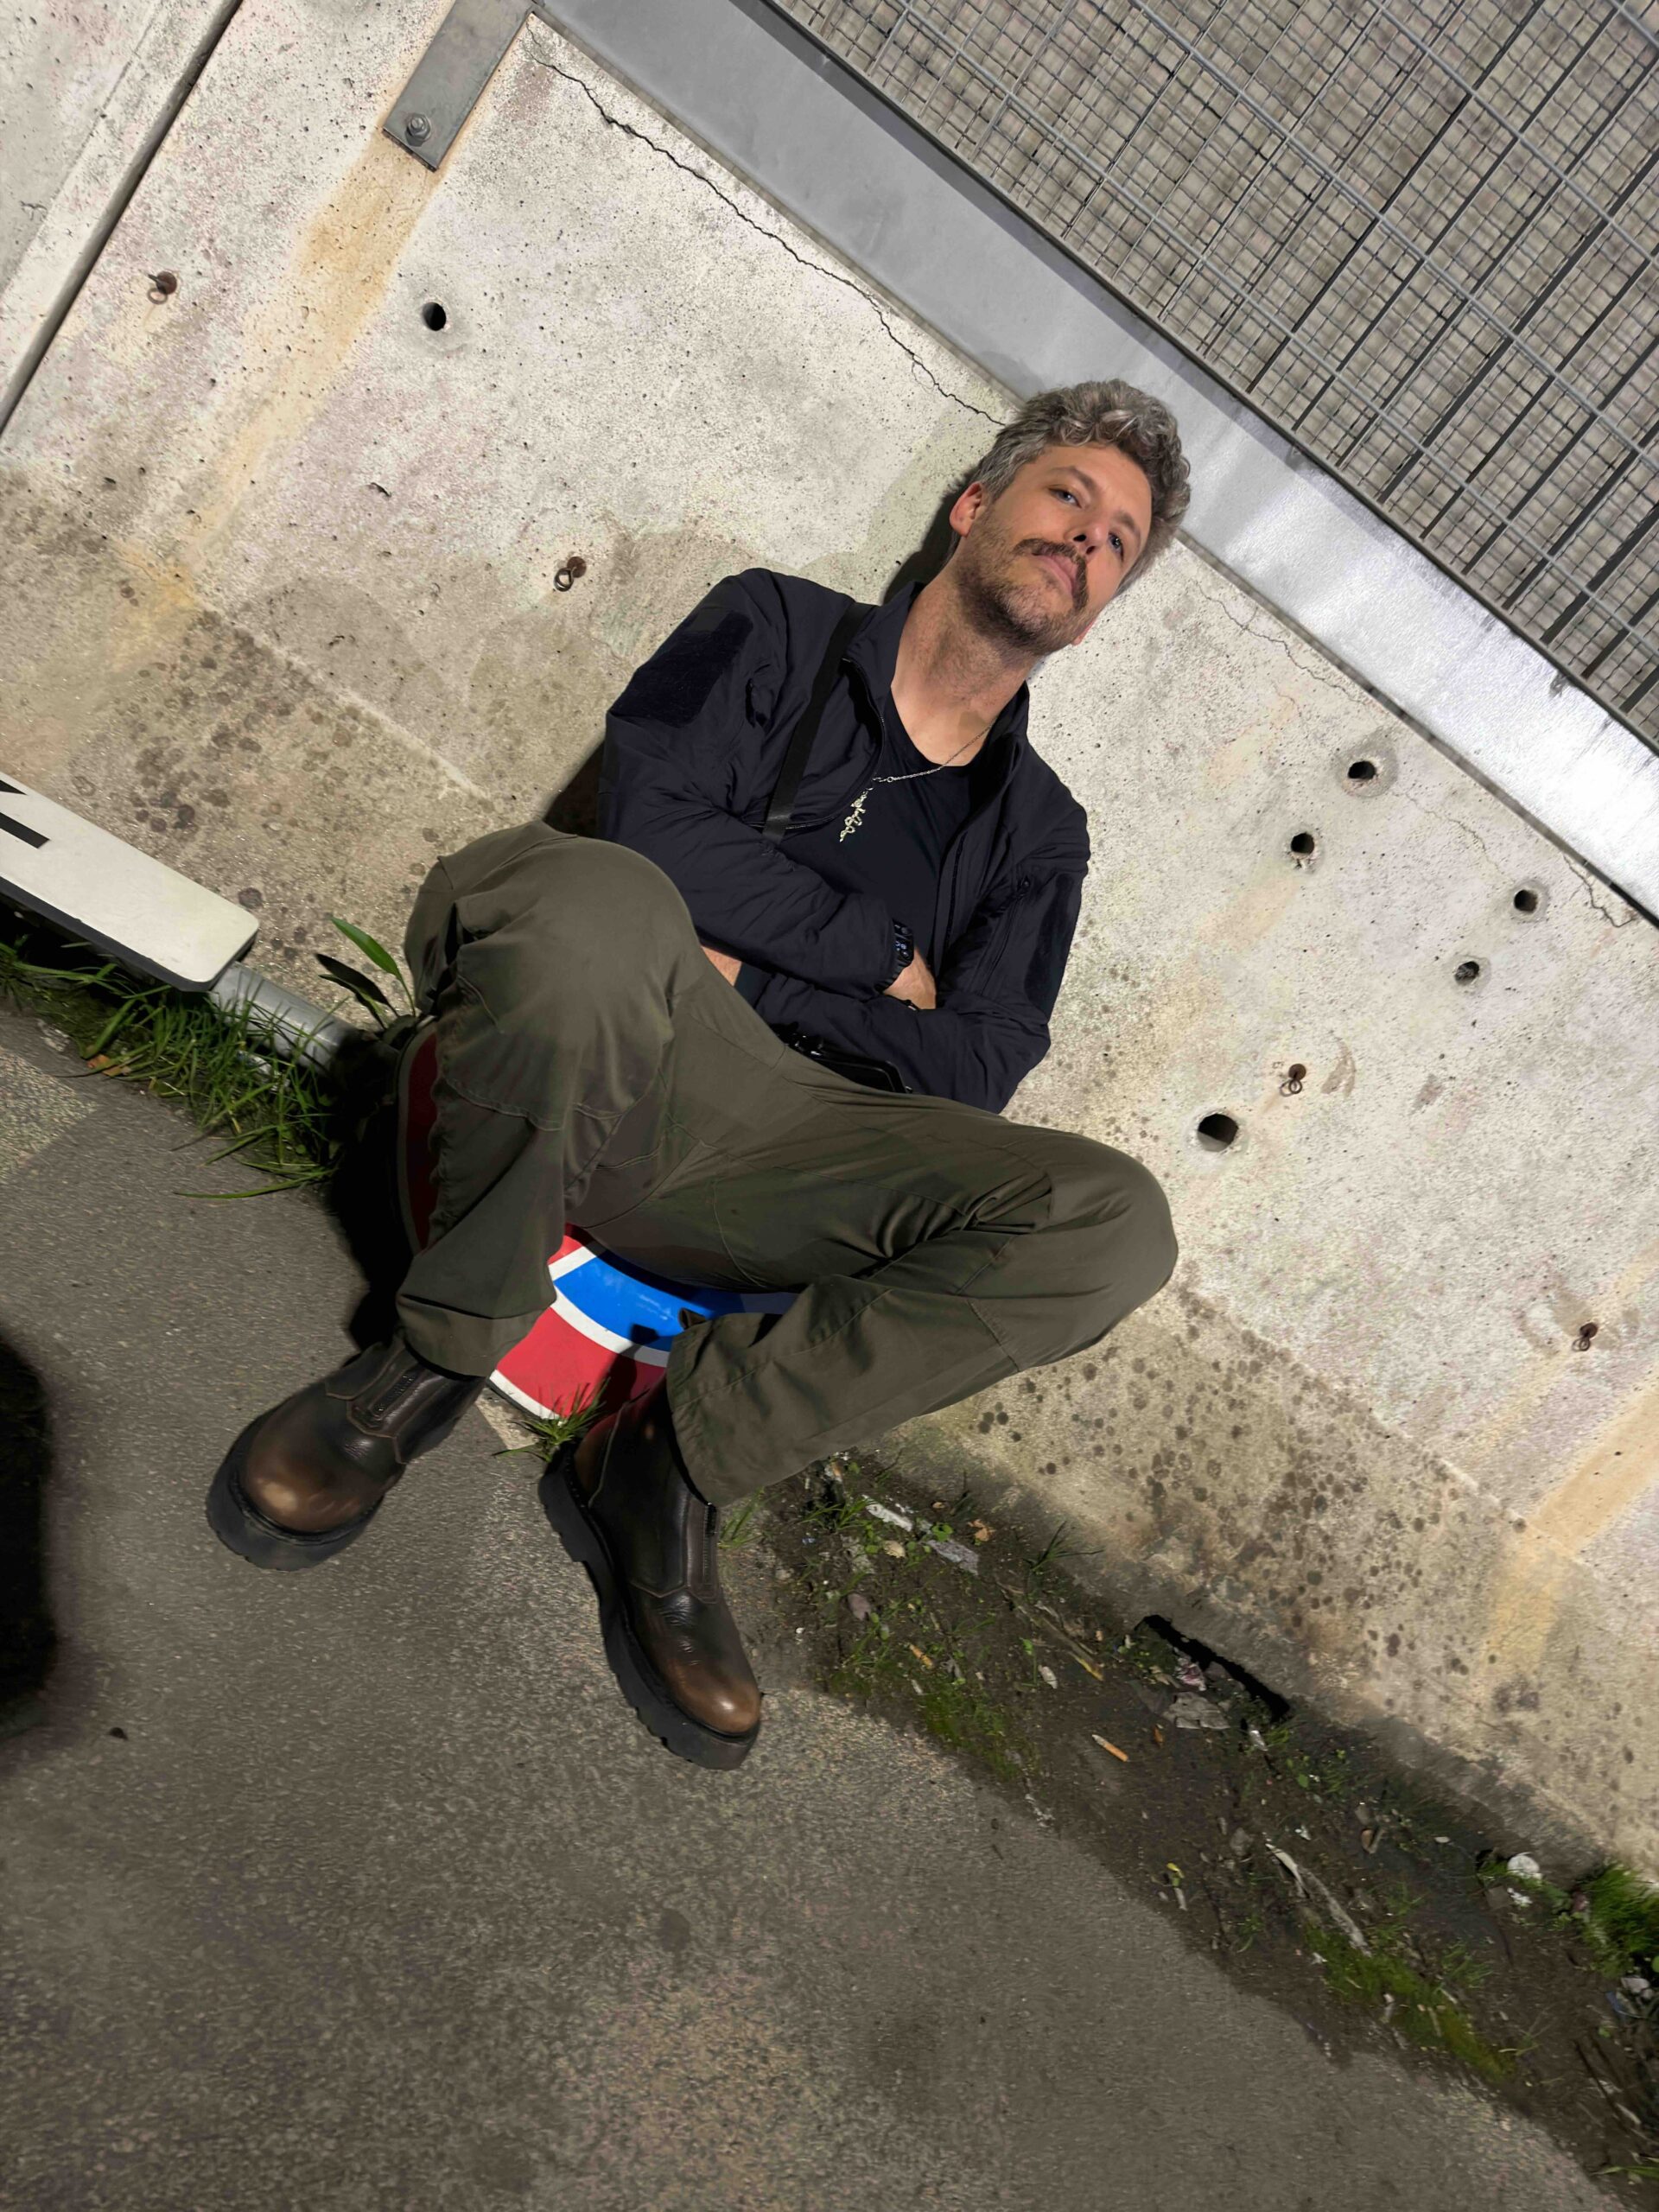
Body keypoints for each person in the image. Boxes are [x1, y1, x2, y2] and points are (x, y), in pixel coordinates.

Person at [207, 379, 1191, 1771]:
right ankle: (429, 1356)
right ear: (977, 509)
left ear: (1100, 612)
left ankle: (671, 1462)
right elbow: (651, 821)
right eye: (1067, 498)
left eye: (1118, 544)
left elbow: (973, 1066)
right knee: (597, 901)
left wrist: (758, 964)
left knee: (1116, 1222)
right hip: (605, 1022)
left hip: (783, 1148)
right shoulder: (770, 623)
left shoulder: (1039, 835)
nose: (1085, 541)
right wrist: (873, 951)